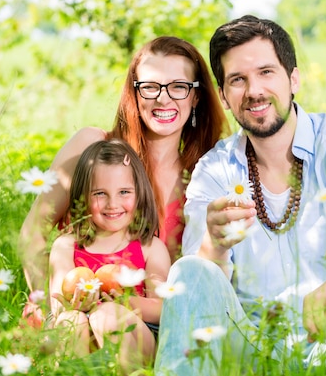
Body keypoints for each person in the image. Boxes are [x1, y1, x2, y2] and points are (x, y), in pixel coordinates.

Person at [154, 15, 326, 375]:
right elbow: (201, 290)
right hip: (252, 351)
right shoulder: (215, 170)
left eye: (266, 72)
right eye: (238, 80)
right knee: (190, 269)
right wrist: (213, 245)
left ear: (293, 78)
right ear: (223, 97)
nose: (254, 91)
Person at [19, 36, 229, 326]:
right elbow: (33, 233)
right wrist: (53, 308)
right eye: (150, 86)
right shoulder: (93, 148)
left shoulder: (205, 174)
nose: (163, 98)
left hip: (156, 328)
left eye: (178, 87)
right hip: (73, 321)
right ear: (134, 93)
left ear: (196, 97)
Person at [49, 140, 170, 371]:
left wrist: (123, 303)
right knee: (69, 322)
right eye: (100, 194)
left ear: (139, 192)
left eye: (124, 192)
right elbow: (58, 305)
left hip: (135, 339)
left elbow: (163, 309)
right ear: (83, 196)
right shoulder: (66, 246)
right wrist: (80, 303)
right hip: (83, 335)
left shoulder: (148, 247)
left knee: (108, 315)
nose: (113, 204)